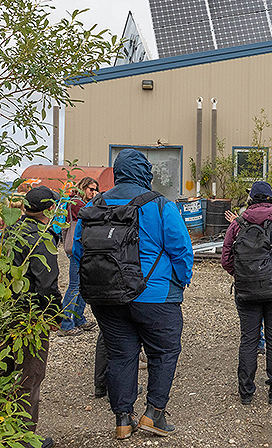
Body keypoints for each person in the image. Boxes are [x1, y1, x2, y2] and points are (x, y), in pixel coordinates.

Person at [73, 148, 193, 439]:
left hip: (106, 295)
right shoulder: (161, 205)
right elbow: (182, 251)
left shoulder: (95, 205)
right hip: (155, 296)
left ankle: (123, 420)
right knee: (163, 352)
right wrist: (179, 282)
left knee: (120, 356)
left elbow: (78, 250)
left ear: (117, 172)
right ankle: (153, 414)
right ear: (145, 173)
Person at [221, 181, 272, 405]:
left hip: (247, 287)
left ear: (251, 201)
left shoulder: (238, 223)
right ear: (270, 199)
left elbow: (226, 259)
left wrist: (242, 275)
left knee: (249, 339)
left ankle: (246, 391)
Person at [10, 186, 62, 448]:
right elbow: (46, 284)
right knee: (30, 376)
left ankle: (7, 430)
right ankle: (24, 437)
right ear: (49, 209)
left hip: (7, 314)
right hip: (30, 319)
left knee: (7, 372)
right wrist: (54, 316)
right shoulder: (42, 238)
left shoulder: (11, 233)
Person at [58, 177, 99, 336]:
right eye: (90, 189)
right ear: (83, 187)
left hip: (81, 248)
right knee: (75, 285)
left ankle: (78, 319)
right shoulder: (76, 203)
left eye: (95, 189)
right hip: (77, 248)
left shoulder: (76, 201)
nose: (93, 192)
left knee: (81, 285)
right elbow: (90, 215)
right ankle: (66, 324)